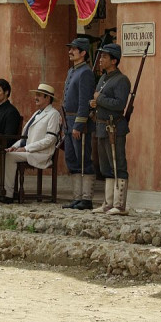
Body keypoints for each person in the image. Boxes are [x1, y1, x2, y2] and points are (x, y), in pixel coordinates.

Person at [1, 83, 63, 203]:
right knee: (0, 154)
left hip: (41, 153)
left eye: (39, 95)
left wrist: (26, 149)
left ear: (47, 98)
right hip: (29, 150)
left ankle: (7, 194)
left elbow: (50, 139)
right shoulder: (37, 113)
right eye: (36, 95)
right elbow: (26, 137)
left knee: (8, 157)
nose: (35, 97)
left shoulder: (53, 114)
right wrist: (13, 147)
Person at [92, 43, 131, 215]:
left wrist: (100, 99)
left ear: (114, 60)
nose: (101, 60)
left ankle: (119, 205)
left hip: (114, 127)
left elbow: (120, 104)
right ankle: (108, 203)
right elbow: (99, 98)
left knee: (118, 164)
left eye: (105, 57)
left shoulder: (121, 80)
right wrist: (94, 102)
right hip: (101, 126)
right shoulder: (103, 78)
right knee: (106, 166)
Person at [62, 39, 98, 210]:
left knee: (83, 159)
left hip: (78, 122)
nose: (71, 52)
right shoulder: (72, 71)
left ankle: (86, 198)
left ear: (83, 53)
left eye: (74, 49)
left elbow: (84, 101)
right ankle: (77, 197)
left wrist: (79, 124)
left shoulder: (85, 73)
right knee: (71, 158)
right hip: (68, 122)